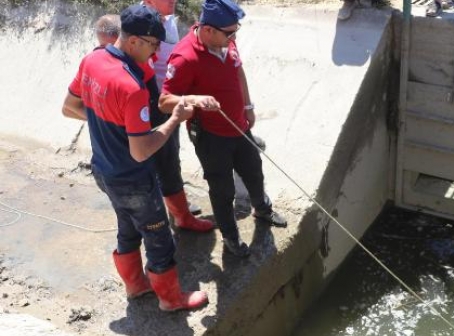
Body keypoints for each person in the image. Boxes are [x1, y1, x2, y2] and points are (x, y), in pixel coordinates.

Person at [62, 4, 208, 311]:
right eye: (153, 45)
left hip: (103, 170)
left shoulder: (92, 59)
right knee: (158, 237)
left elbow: (69, 106)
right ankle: (170, 299)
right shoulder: (131, 87)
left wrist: (106, 122)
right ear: (133, 42)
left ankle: (135, 286)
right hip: (132, 178)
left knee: (127, 227)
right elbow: (141, 149)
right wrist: (173, 120)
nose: (155, 53)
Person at [159, 0, 287, 258]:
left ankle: (262, 209)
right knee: (222, 189)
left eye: (235, 31)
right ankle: (230, 237)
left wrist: (248, 106)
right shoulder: (185, 58)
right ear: (207, 30)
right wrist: (195, 100)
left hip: (238, 127)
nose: (234, 37)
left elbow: (239, 72)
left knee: (254, 172)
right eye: (229, 33)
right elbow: (164, 102)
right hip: (211, 136)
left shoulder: (225, 40)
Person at [141, 0, 215, 233]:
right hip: (153, 104)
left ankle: (175, 206)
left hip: (169, 101)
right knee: (167, 161)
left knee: (170, 157)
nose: (173, 0)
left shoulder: (168, 19)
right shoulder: (142, 23)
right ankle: (181, 216)